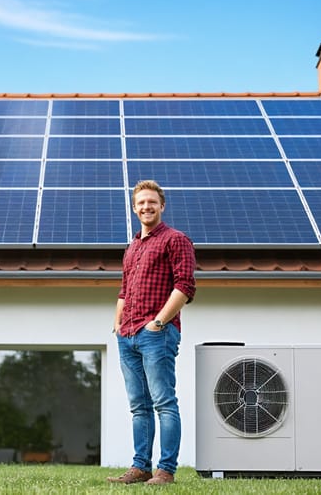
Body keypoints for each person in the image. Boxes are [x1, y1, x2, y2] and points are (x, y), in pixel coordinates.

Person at [107, 180, 196, 485]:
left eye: (152, 202)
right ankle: (140, 467)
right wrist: (118, 325)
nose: (146, 207)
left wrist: (158, 322)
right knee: (138, 406)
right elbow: (124, 290)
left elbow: (185, 286)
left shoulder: (176, 240)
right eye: (141, 203)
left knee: (164, 402)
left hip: (157, 334)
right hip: (128, 335)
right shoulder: (132, 247)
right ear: (134, 208)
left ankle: (165, 471)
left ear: (162, 206)